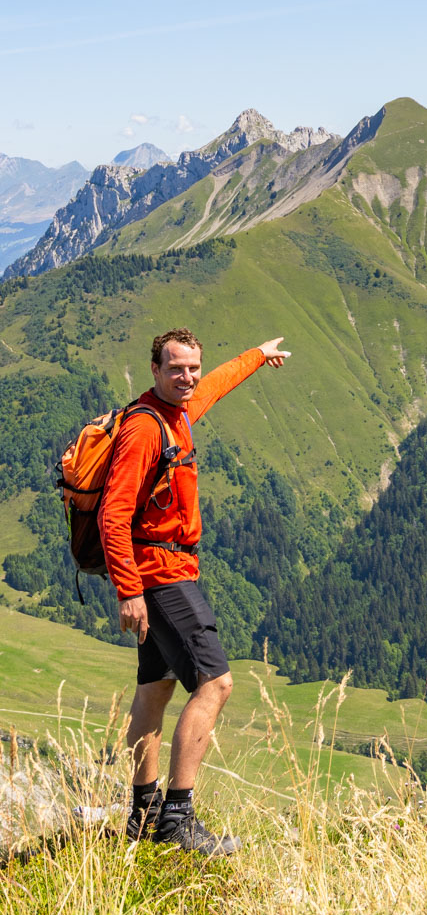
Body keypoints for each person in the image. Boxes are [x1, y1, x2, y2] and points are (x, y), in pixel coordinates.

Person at [98, 327, 290, 855]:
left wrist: (256, 355)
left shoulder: (177, 411)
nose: (187, 378)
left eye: (192, 368)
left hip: (162, 572)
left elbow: (215, 386)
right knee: (216, 684)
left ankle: (142, 815)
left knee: (155, 689)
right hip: (159, 576)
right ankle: (177, 821)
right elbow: (113, 515)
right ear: (154, 370)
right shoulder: (144, 430)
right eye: (175, 368)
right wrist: (129, 591)